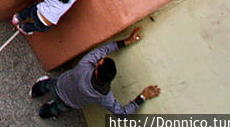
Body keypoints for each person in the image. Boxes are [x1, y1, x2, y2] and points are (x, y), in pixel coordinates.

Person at [30, 26, 161, 118]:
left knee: (44, 85)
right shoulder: (104, 96)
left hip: (58, 85)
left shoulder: (85, 65)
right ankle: (43, 112)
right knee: (53, 111)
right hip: (70, 103)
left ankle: (34, 93)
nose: (99, 60)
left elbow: (104, 49)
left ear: (97, 71)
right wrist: (142, 97)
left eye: (100, 63)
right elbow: (122, 113)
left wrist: (127, 41)